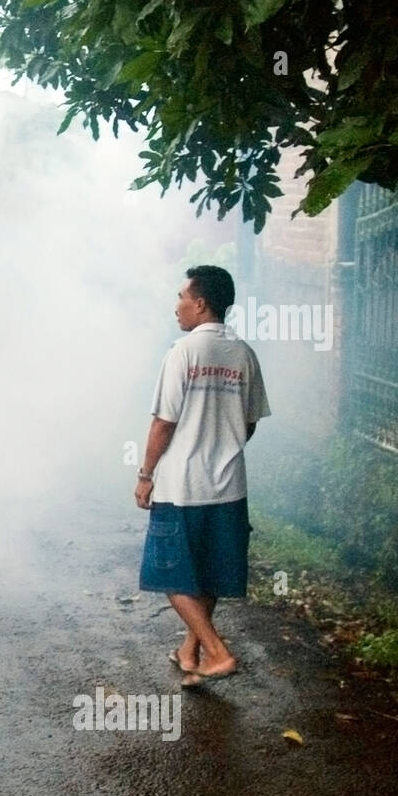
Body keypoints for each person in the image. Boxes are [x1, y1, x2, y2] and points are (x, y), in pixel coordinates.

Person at [134, 265, 270, 686]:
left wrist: (145, 474)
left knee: (170, 574)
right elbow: (249, 423)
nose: (177, 306)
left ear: (200, 302)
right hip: (228, 485)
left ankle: (217, 652)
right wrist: (222, 444)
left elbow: (163, 422)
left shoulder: (183, 352)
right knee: (209, 572)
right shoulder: (243, 353)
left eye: (181, 297)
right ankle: (190, 651)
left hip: (182, 485)